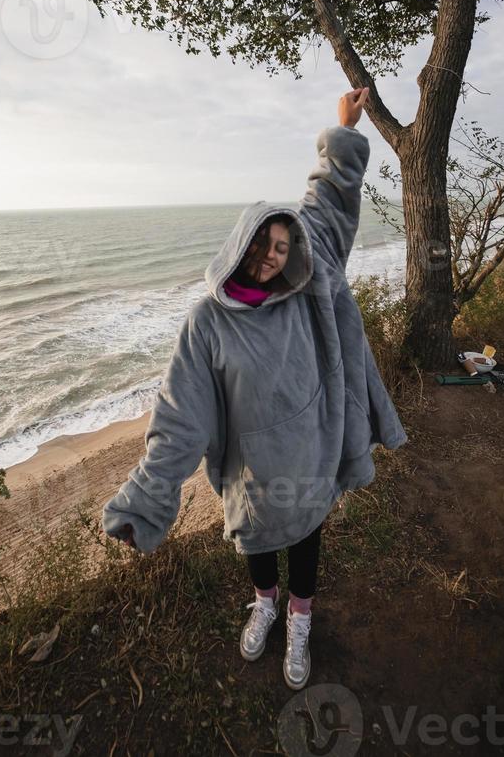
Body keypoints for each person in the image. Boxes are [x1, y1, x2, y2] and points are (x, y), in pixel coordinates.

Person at [102, 87, 409, 691]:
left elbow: (329, 201)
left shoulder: (310, 282)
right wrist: (149, 497)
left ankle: (300, 619)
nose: (272, 256)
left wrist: (342, 130)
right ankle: (265, 605)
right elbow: (180, 419)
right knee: (259, 545)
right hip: (250, 470)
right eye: (262, 244)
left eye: (281, 246)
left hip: (312, 454)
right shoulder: (206, 323)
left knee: (307, 543)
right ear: (241, 245)